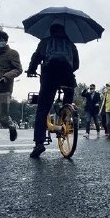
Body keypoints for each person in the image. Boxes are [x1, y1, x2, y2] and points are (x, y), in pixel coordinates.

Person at [26, 23, 80, 158]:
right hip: (68, 78)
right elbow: (76, 65)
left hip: (49, 77)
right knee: (67, 103)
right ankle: (66, 117)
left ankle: (39, 143)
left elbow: (36, 57)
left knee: (43, 109)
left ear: (51, 31)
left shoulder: (45, 42)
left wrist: (31, 70)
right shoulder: (71, 44)